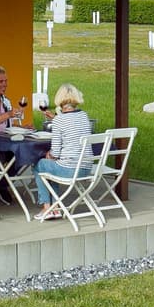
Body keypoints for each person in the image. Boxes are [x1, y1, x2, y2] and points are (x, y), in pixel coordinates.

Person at [34, 83, 95, 221]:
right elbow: (70, 124)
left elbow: (55, 151)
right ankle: (55, 207)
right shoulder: (84, 116)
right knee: (51, 166)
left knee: (40, 165)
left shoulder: (59, 120)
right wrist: (56, 119)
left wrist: (49, 155)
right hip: (86, 168)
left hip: (70, 170)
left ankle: (47, 207)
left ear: (59, 100)